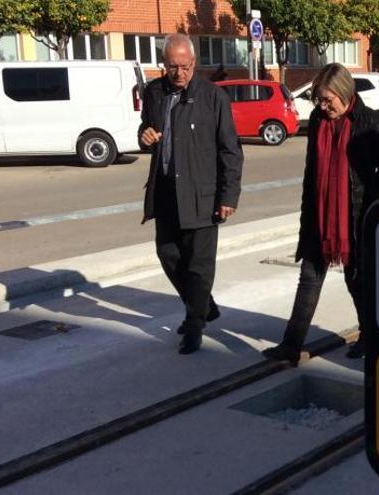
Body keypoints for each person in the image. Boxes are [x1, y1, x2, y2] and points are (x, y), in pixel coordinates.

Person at [262, 64, 379, 363]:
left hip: (355, 218)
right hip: (320, 214)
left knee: (357, 281)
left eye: (328, 100)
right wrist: (307, 212)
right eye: (319, 101)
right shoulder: (316, 120)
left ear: (344, 93)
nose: (324, 107)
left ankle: (369, 336)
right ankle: (291, 345)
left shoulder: (369, 121)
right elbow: (312, 170)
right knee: (309, 279)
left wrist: (371, 201)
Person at [139, 34, 243, 354]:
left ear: (194, 64)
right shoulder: (154, 92)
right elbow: (146, 127)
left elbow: (231, 151)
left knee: (198, 266)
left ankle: (195, 326)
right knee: (169, 255)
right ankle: (203, 306)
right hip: (167, 191)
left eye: (185, 66)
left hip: (202, 195)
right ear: (164, 66)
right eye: (172, 66)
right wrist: (144, 135)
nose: (179, 73)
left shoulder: (213, 98)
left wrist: (228, 197)